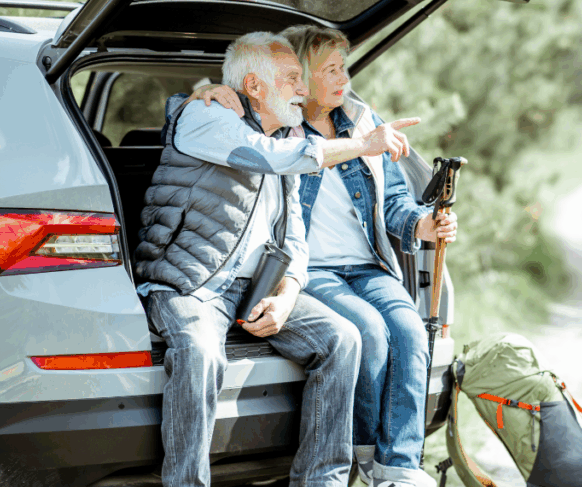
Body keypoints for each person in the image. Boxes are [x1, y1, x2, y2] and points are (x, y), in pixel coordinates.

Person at [136, 31, 418, 487]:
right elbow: (272, 158)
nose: (302, 89)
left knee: (343, 339)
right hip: (192, 282)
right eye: (291, 78)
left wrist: (288, 292)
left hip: (258, 288)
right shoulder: (206, 115)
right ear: (254, 85)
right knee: (202, 353)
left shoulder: (286, 133)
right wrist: (364, 145)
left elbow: (295, 237)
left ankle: (320, 480)